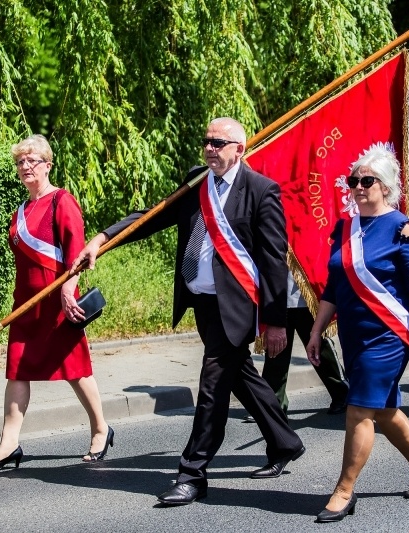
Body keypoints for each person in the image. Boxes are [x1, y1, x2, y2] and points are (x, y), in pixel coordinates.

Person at [72, 117, 305, 505]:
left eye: (219, 142)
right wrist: (102, 239)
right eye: (206, 141)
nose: (210, 148)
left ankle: (192, 473)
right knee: (239, 374)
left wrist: (276, 322)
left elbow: (273, 261)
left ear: (239, 149)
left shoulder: (261, 191)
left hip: (237, 307)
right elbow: (153, 216)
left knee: (212, 386)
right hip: (202, 302)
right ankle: (284, 441)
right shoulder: (198, 181)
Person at [305, 144, 409, 523]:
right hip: (353, 333)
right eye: (354, 181)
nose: (358, 187)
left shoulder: (403, 228)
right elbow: (334, 287)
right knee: (382, 409)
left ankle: (344, 490)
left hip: (388, 335)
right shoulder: (345, 227)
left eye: (367, 181)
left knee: (359, 409)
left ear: (386, 187)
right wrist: (317, 330)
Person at [0, 134, 112, 472]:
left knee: (75, 371)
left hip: (58, 303)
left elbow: (77, 253)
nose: (25, 166)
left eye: (32, 160)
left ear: (48, 165)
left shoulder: (61, 201)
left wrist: (69, 290)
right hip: (26, 305)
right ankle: (9, 444)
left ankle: (100, 429)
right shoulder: (20, 210)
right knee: (17, 372)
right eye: (20, 162)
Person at [252, 271, 349, 417]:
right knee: (275, 352)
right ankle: (272, 405)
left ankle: (342, 394)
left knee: (320, 350)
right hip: (277, 299)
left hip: (306, 295)